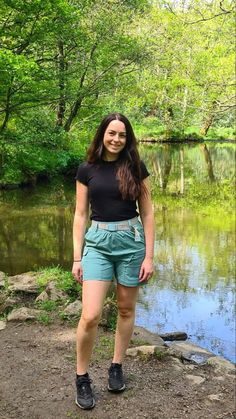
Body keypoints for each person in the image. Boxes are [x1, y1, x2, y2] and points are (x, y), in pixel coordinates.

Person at [72, 112, 155, 410]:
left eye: (122, 134)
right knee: (90, 314)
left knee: (125, 308)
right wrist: (76, 257)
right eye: (112, 133)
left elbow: (147, 213)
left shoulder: (135, 168)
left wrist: (149, 255)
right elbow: (80, 215)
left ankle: (116, 365)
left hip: (131, 243)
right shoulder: (87, 169)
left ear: (127, 138)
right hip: (98, 244)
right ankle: (82, 377)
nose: (116, 139)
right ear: (102, 135)